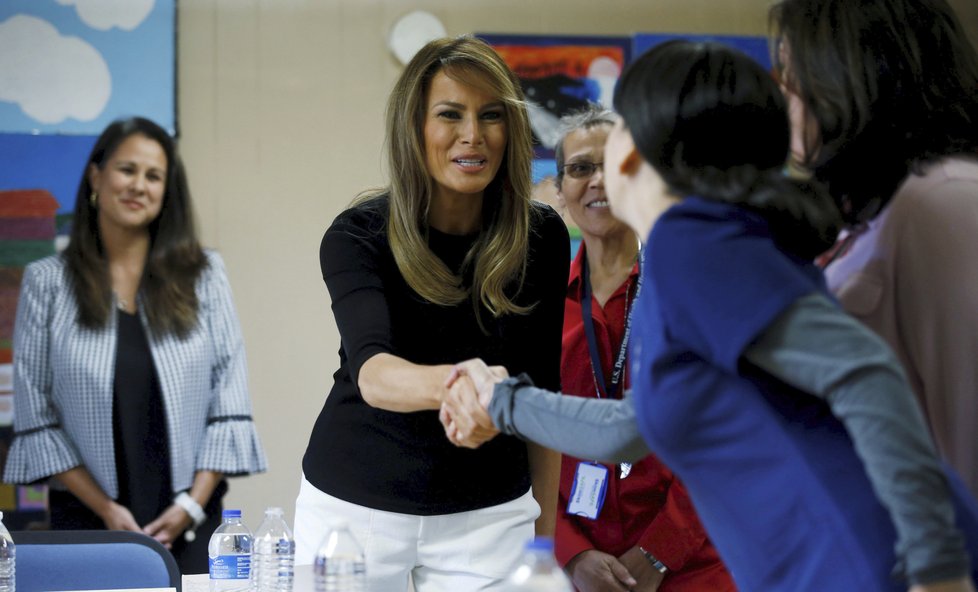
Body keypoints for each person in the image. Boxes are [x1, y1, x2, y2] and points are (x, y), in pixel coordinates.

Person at [440, 40, 978, 592]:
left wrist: (938, 570)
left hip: (871, 562)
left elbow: (865, 373)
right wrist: (502, 402)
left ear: (631, 154)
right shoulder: (697, 249)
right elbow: (628, 431)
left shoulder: (695, 245)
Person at [293, 36, 569, 591]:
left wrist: (547, 539)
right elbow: (372, 372)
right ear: (413, 128)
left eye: (491, 115)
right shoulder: (357, 235)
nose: (473, 135)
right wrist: (463, 382)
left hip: (490, 516)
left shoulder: (542, 236)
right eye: (451, 115)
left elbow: (543, 394)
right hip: (355, 510)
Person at [2, 117, 268, 573]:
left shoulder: (204, 275)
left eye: (154, 176)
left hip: (190, 522)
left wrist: (193, 503)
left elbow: (228, 399)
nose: (138, 186)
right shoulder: (46, 283)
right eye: (127, 170)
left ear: (167, 191)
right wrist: (107, 512)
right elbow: (37, 415)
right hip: (85, 522)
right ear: (95, 176)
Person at [771, 0, 978, 499]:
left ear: (847, 73)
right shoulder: (871, 209)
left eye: (791, 72)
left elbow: (966, 433)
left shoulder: (942, 199)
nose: (781, 92)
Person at [548, 104, 733, 592]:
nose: (597, 181)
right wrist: (572, 552)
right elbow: (527, 442)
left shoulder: (692, 291)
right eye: (580, 168)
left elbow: (723, 434)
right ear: (560, 192)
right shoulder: (538, 308)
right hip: (578, 569)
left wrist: (659, 552)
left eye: (613, 165)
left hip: (693, 562)